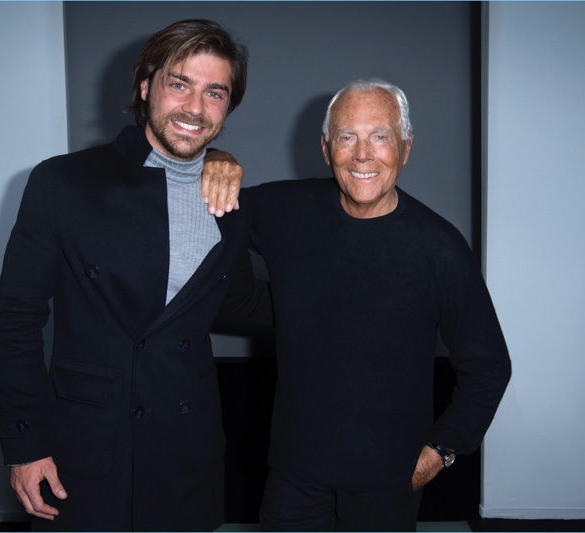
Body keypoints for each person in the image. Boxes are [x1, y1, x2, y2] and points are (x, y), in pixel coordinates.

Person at [0, 19, 271, 532]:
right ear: (146, 86)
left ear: (228, 106)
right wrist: (24, 444)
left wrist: (336, 307)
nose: (195, 107)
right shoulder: (63, 182)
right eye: (179, 83)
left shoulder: (233, 204)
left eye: (215, 92)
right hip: (86, 449)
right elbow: (15, 321)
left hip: (188, 451)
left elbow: (234, 303)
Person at [211, 78, 511, 530]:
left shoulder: (440, 247)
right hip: (294, 480)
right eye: (347, 137)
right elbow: (218, 210)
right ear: (326, 148)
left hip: (387, 488)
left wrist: (439, 455)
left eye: (380, 136)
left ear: (406, 147)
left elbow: (489, 366)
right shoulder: (285, 209)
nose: (363, 154)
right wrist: (217, 159)